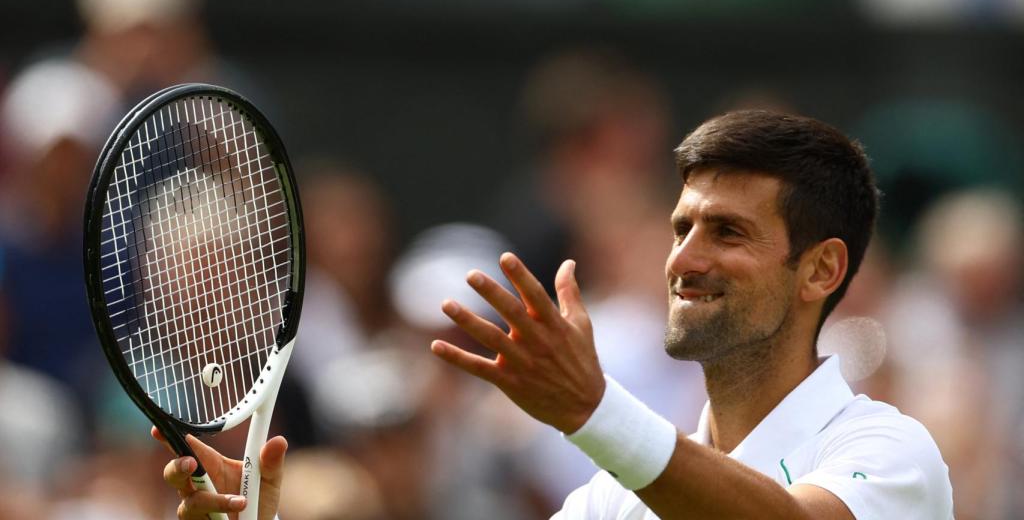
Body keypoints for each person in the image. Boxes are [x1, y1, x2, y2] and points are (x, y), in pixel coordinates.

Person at [160, 110, 953, 519]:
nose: (685, 258)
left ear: (821, 269)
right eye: (681, 228)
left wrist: (593, 410)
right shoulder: (610, 501)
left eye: (729, 232)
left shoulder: (888, 453)